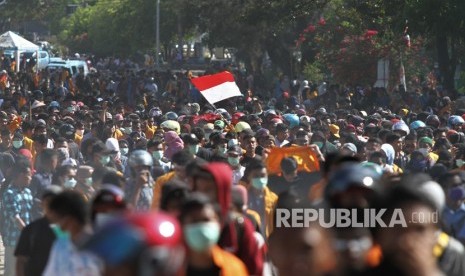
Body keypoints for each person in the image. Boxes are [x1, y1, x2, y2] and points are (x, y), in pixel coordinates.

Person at [179, 193, 248, 276]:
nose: (201, 226)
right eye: (194, 221)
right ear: (182, 227)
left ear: (219, 223)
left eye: (206, 220)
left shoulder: (234, 268)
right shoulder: (168, 269)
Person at [43, 190, 102, 275]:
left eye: (57, 221)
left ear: (70, 219)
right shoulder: (60, 246)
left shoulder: (102, 245)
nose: (57, 226)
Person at [15, 186, 62, 276]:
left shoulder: (68, 229)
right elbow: (21, 260)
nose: (52, 205)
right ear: (41, 204)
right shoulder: (31, 230)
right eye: (48, 202)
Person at [1, 158, 33, 276]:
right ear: (21, 175)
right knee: (11, 272)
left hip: (26, 240)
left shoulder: (28, 192)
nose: (31, 178)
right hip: (13, 241)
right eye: (29, 175)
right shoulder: (9, 194)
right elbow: (15, 218)